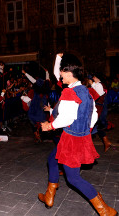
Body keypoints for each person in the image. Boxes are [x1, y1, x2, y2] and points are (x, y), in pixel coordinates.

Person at [38, 55, 117, 215]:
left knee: (73, 179)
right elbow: (93, 114)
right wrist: (84, 129)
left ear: (68, 72)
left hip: (70, 141)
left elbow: (66, 118)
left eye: (61, 71)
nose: (59, 74)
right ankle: (49, 196)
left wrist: (49, 125)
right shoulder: (86, 92)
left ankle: (105, 210)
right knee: (52, 160)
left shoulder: (69, 93)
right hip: (79, 138)